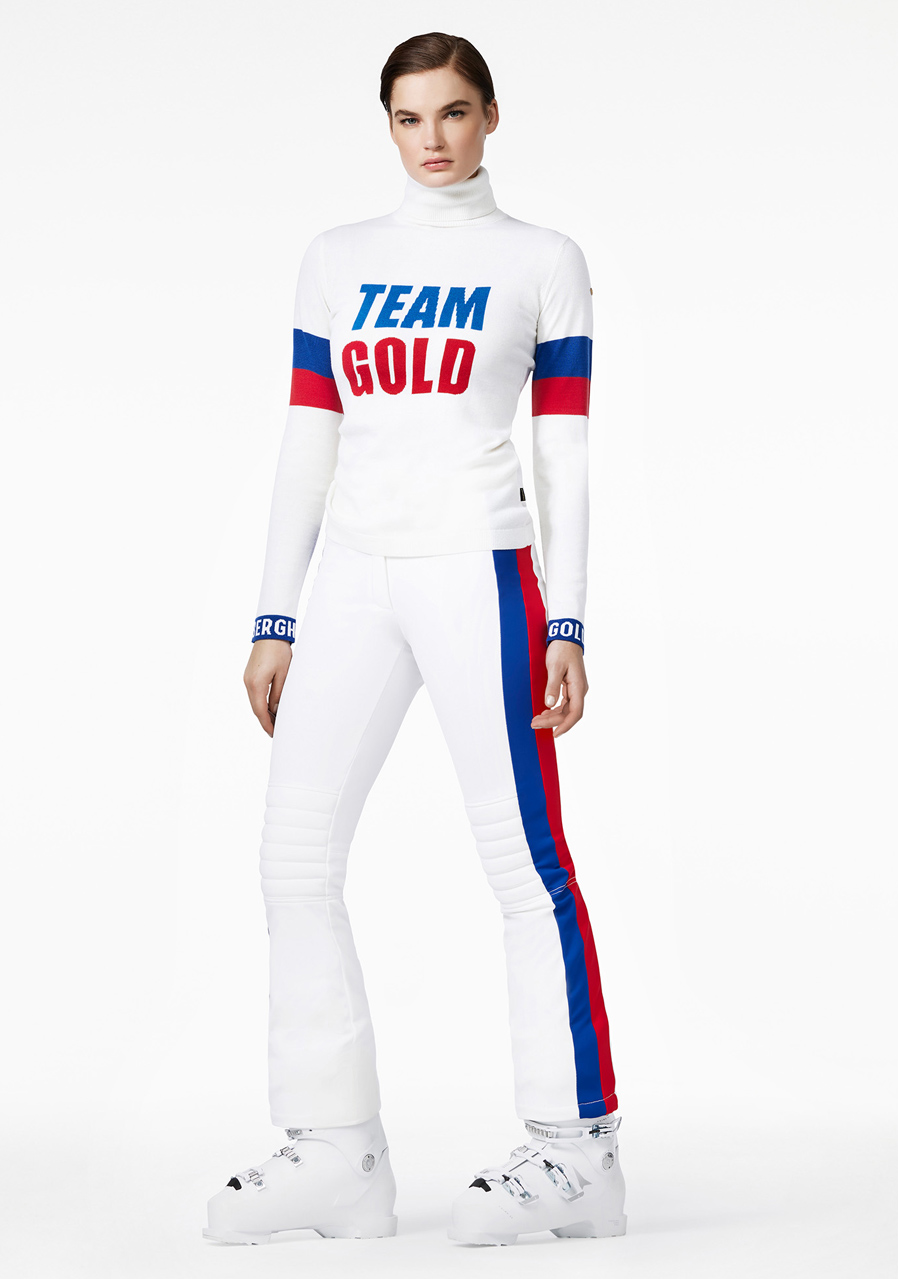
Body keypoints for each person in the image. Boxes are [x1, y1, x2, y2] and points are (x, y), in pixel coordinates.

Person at [203, 31, 626, 1249]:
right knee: (293, 858)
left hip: (477, 566)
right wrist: (275, 614)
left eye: (450, 112)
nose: (430, 138)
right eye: (407, 116)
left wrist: (568, 617)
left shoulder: (542, 260)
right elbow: (309, 436)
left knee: (523, 861)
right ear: (385, 124)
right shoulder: (336, 259)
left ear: (489, 115)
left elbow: (563, 451)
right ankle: (336, 1150)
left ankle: (578, 1150)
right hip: (352, 572)